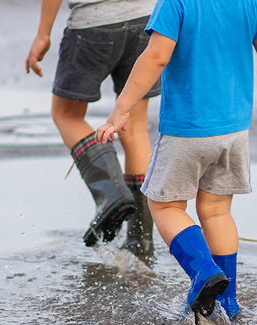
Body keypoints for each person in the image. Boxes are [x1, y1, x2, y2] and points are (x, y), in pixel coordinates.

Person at [96, 0, 257, 319]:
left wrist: (121, 110)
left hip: (186, 130)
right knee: (216, 211)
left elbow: (157, 57)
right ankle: (228, 301)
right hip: (234, 131)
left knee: (165, 206)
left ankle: (202, 271)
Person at [25, 0, 160, 262]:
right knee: (134, 129)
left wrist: (43, 33)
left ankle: (111, 192)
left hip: (93, 23)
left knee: (66, 114)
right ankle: (140, 243)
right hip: (146, 21)